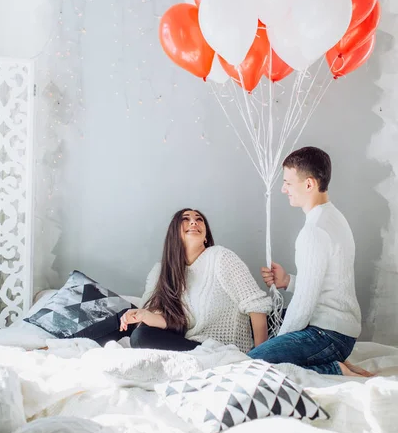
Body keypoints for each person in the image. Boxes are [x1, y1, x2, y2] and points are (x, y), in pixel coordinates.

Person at [248, 146, 371, 377]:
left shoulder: (313, 231)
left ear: (308, 184)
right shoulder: (333, 217)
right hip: (341, 332)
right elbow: (328, 282)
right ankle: (337, 362)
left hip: (328, 335)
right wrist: (288, 281)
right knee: (268, 329)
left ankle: (335, 368)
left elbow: (304, 305)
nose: (284, 189)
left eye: (288, 182)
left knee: (252, 365)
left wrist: (278, 344)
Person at [119, 208, 272, 353]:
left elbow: (256, 305)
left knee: (141, 337)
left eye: (199, 220)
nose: (194, 222)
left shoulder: (220, 257)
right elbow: (174, 323)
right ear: (174, 234)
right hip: (194, 347)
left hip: (225, 349)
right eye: (186, 219)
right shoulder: (169, 273)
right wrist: (144, 315)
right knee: (138, 331)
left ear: (205, 236)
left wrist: (261, 356)